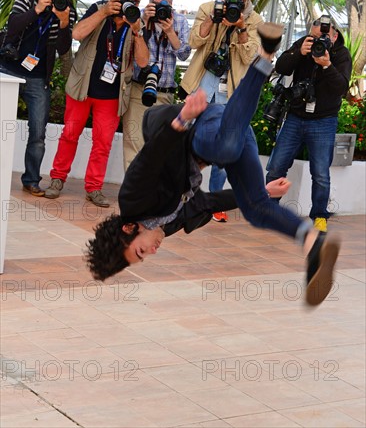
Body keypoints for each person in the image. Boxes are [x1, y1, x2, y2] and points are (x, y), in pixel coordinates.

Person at [85, 23, 341, 307]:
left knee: (224, 148)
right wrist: (262, 191)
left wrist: (181, 120)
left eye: (141, 252)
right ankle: (312, 243)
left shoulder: (133, 201)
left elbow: (152, 157)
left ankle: (265, 54)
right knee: (256, 208)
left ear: (128, 231)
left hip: (201, 126)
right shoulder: (166, 226)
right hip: (235, 129)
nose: (152, 252)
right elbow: (206, 202)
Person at [44, 0, 149, 207]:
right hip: (83, 87)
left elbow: (143, 61)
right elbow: (77, 34)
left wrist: (137, 31)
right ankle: (57, 179)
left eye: (137, 1)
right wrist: (103, 12)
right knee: (69, 135)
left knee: (103, 143)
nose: (131, 4)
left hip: (112, 95)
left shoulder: (136, 21)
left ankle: (94, 188)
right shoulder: (98, 8)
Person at [180, 0, 263, 223]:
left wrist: (240, 28)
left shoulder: (255, 20)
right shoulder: (209, 8)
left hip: (231, 91)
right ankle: (183, 192)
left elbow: (251, 58)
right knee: (186, 141)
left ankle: (215, 200)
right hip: (202, 85)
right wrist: (212, 19)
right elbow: (193, 41)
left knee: (223, 147)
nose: (237, 2)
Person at [266, 15, 352, 232]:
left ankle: (320, 216)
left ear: (334, 35)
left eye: (324, 36)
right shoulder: (304, 43)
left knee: (321, 172)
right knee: (276, 166)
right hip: (296, 116)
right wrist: (298, 52)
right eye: (315, 36)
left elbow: (341, 87)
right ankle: (270, 211)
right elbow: (282, 67)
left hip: (324, 120)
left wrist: (327, 65)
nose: (319, 41)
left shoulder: (341, 54)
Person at [0, 0, 76, 196]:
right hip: (8, 69)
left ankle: (31, 179)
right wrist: (37, 9)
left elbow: (63, 49)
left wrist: (63, 22)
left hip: (38, 76)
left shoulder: (65, 6)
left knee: (38, 132)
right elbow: (13, 26)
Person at [122, 0, 191, 171]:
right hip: (139, 89)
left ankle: (150, 195)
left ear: (171, 3)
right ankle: (132, 196)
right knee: (133, 144)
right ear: (148, 1)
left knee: (159, 148)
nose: (160, 7)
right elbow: (128, 45)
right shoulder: (140, 16)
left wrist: (170, 32)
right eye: (155, 2)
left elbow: (184, 54)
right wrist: (143, 20)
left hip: (165, 93)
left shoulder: (180, 21)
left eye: (164, 3)